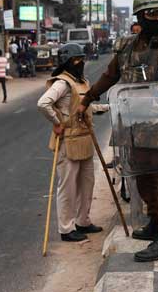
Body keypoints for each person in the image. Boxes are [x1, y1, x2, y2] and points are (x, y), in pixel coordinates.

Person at [76, 0, 158, 262]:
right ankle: (154, 222)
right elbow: (110, 75)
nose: (157, 18)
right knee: (143, 177)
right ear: (140, 15)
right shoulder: (126, 46)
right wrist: (87, 99)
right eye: (152, 13)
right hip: (136, 126)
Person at [37, 45, 108, 242]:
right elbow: (43, 103)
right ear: (67, 62)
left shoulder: (83, 82)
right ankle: (66, 229)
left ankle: (83, 221)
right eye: (76, 60)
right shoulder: (62, 83)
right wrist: (57, 123)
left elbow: (86, 107)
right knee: (68, 187)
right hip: (68, 140)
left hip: (85, 138)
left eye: (81, 59)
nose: (81, 63)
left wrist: (109, 107)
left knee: (87, 183)